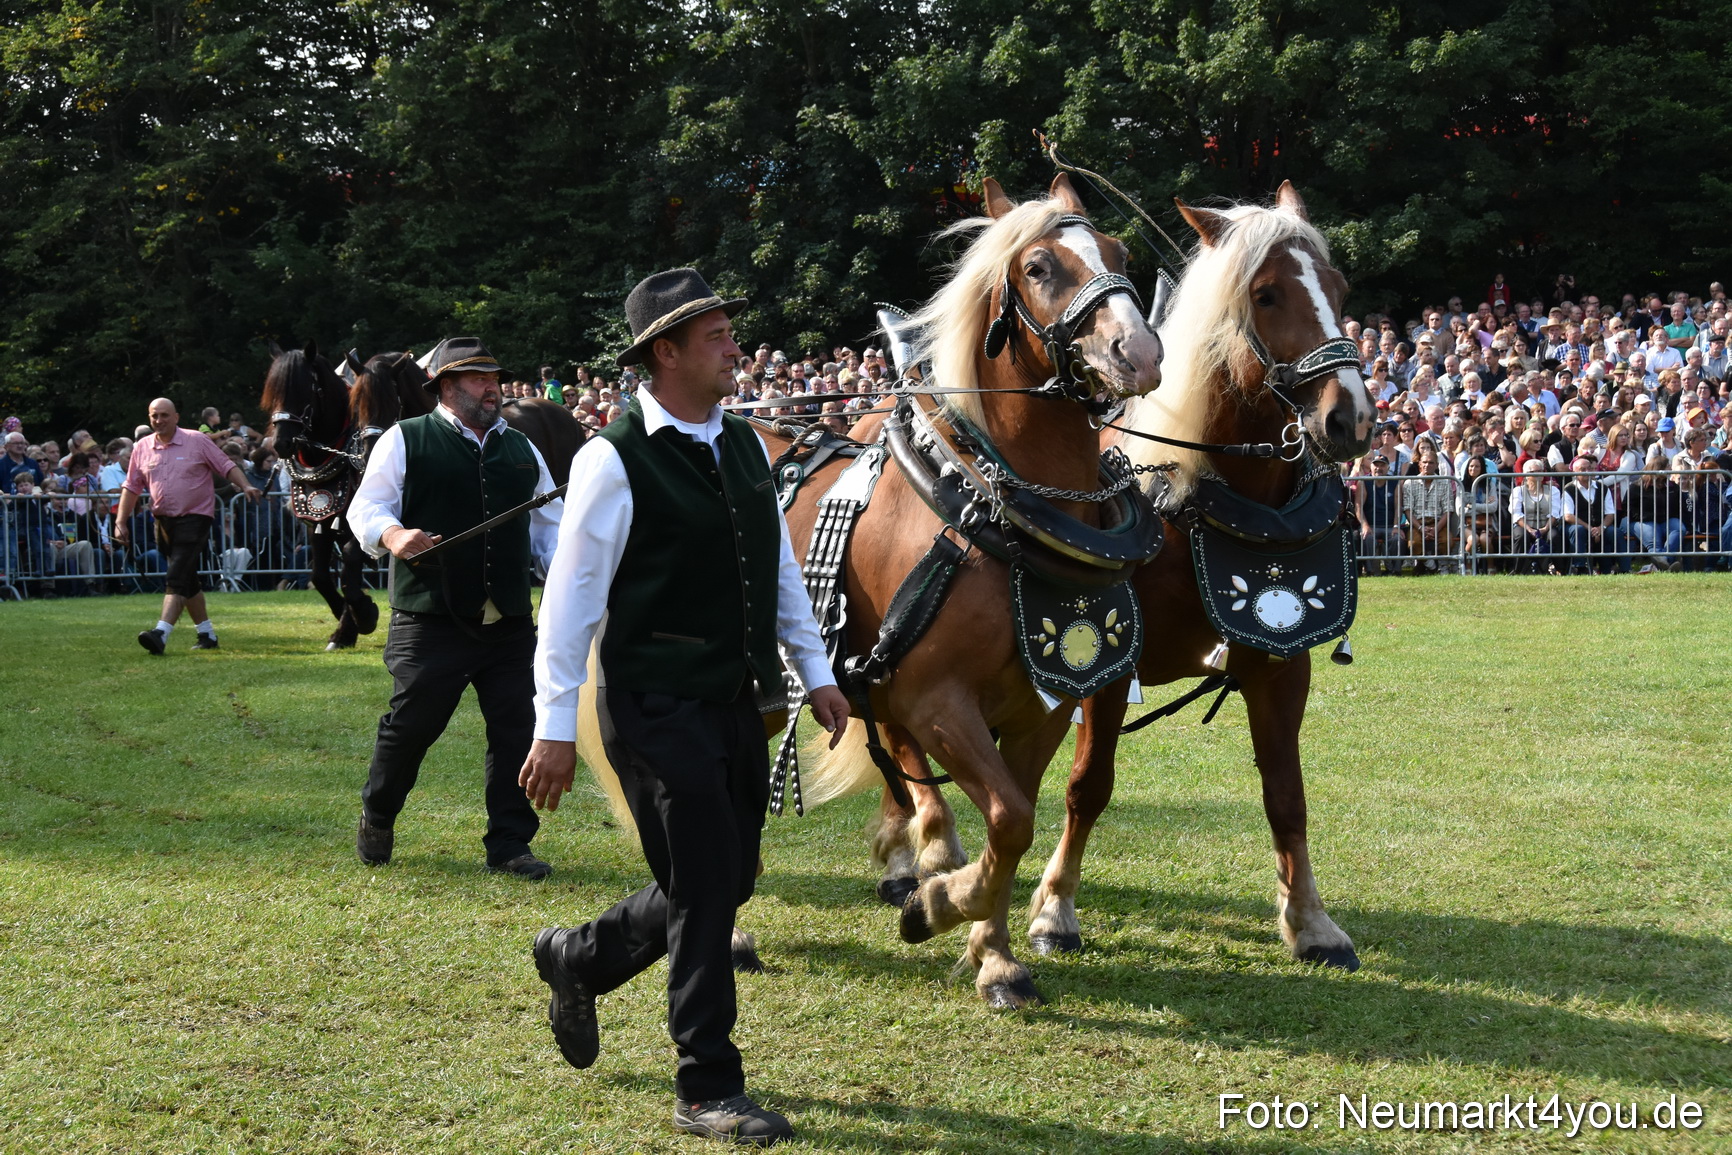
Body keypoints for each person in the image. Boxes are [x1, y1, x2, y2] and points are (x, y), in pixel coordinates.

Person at [519, 268, 849, 1147]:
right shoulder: (611, 458)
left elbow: (776, 569)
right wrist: (553, 728)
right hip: (654, 704)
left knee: (726, 877)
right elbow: (570, 603)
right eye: (715, 336)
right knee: (707, 886)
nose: (734, 347)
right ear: (665, 352)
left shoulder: (742, 444)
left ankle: (579, 956)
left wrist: (814, 671)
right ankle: (707, 1081)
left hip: (735, 697)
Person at [346, 337, 563, 879]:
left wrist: (568, 581)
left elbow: (551, 529)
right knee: (411, 726)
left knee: (517, 729)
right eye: (478, 379)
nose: (493, 388)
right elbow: (365, 508)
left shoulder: (521, 448)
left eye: (494, 378)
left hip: (509, 622)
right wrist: (394, 535)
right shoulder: (405, 438)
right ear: (447, 387)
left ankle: (510, 845)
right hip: (430, 619)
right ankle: (379, 811)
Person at [112, 398, 261, 653]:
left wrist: (245, 485)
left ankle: (160, 632)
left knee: (176, 575)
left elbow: (226, 465)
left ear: (176, 417)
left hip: (196, 517)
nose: (159, 421)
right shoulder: (142, 447)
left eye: (164, 415)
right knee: (187, 579)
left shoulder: (197, 440)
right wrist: (120, 521)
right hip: (162, 521)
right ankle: (207, 635)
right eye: (154, 416)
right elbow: (132, 487)